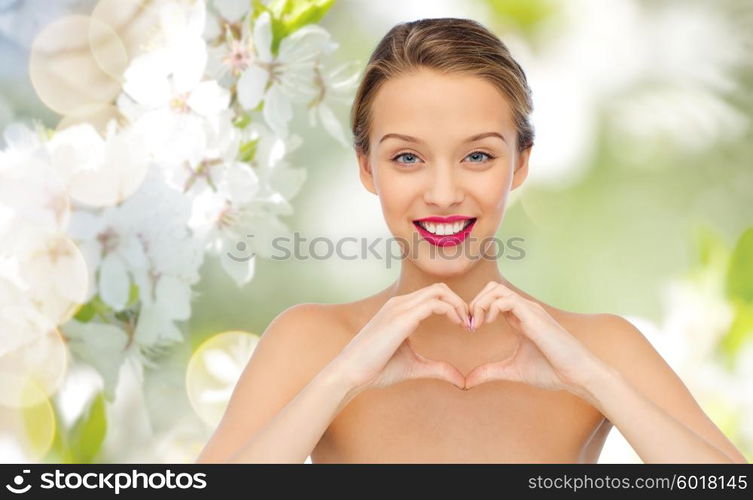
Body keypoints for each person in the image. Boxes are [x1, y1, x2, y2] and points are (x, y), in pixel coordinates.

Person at [195, 17, 747, 463]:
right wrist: (340, 380)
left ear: (520, 163)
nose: (442, 193)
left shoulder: (599, 348)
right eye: (407, 157)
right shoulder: (310, 342)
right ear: (367, 168)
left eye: (477, 156)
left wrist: (598, 384)